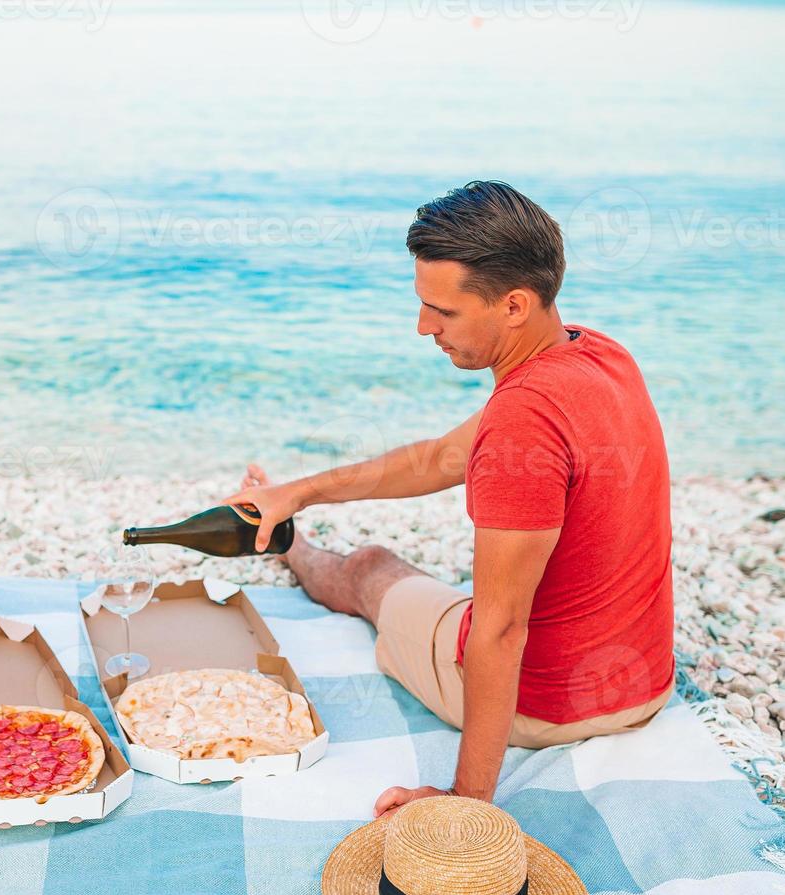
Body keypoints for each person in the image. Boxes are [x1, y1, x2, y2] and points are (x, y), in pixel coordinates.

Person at [226, 181, 674, 820]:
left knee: (372, 567)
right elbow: (440, 459)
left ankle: (292, 548)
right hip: (642, 683)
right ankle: (289, 518)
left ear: (514, 305)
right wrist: (296, 490)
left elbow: (500, 629)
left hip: (548, 706)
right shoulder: (599, 353)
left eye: (444, 311)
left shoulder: (522, 419)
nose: (422, 327)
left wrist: (466, 802)